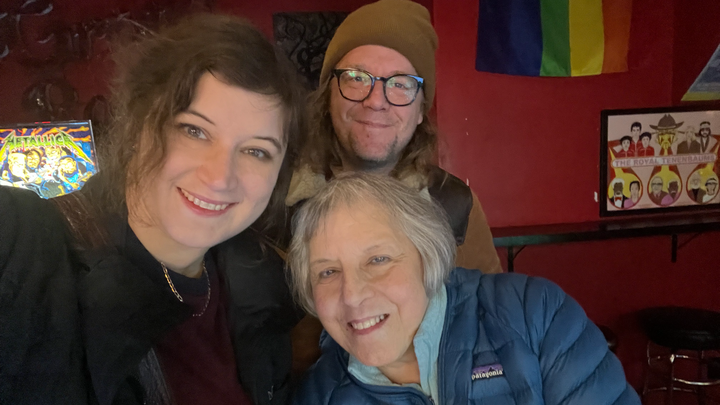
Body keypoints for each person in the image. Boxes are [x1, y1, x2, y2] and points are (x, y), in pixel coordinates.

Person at [0, 14, 305, 405]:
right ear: (137, 123)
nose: (219, 177)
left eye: (256, 151)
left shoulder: (265, 287)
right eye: (194, 130)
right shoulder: (22, 247)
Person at [287, 172, 641, 405]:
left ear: (426, 256)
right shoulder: (320, 395)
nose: (352, 295)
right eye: (328, 272)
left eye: (378, 259)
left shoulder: (534, 313)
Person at [284, 0, 501, 375]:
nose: (375, 101)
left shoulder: (454, 206)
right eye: (356, 77)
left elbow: (492, 323)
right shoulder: (273, 204)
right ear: (328, 94)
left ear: (420, 111)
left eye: (401, 84)